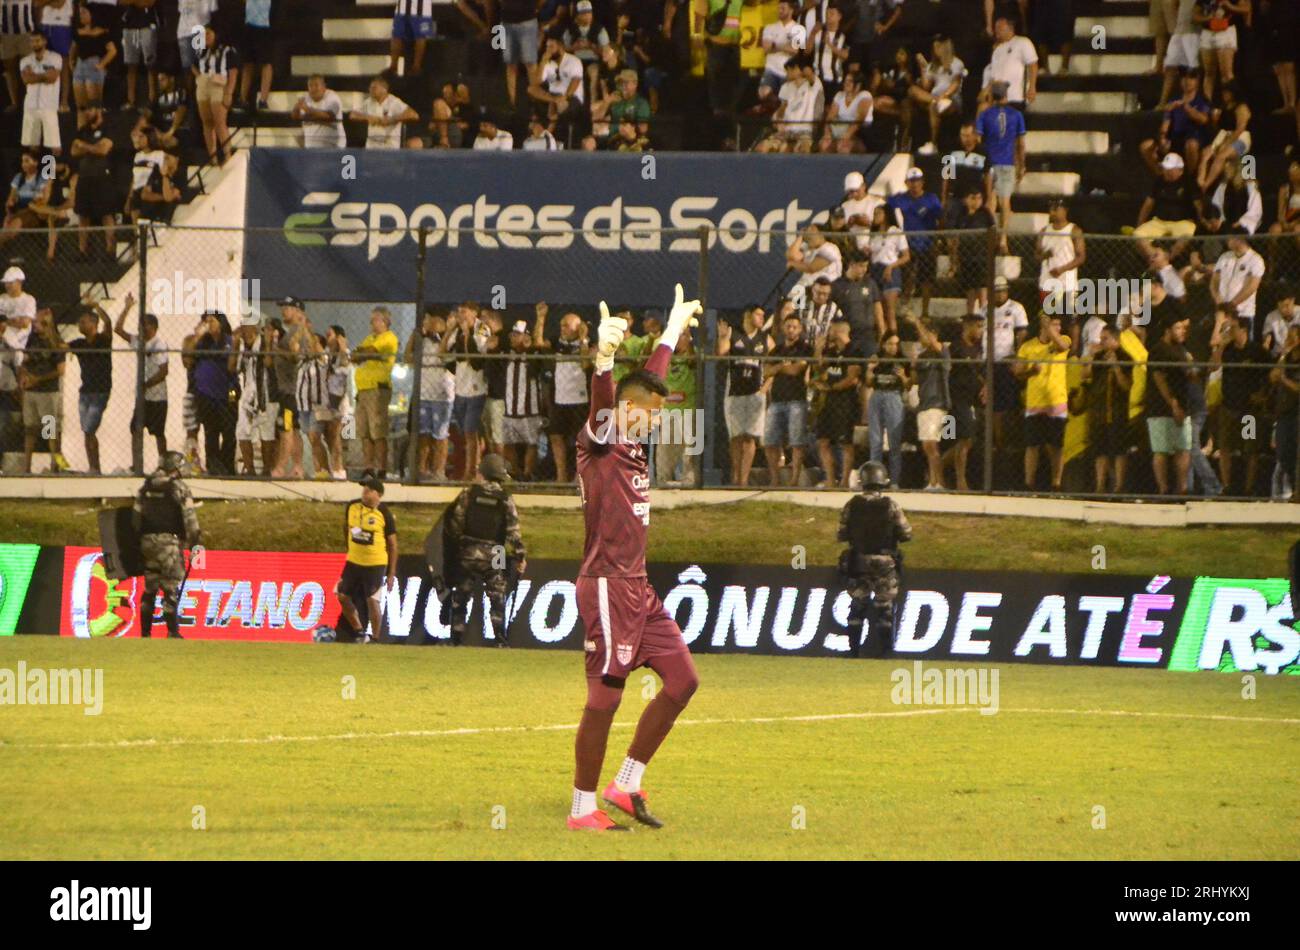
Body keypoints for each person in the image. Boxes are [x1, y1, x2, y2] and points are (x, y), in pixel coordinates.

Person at [567, 284, 702, 833]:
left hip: (638, 587)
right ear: (626, 409)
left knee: (682, 680)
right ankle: (581, 809)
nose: (655, 418)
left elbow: (648, 381)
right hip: (604, 583)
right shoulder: (599, 438)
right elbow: (609, 402)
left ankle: (624, 783)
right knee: (605, 698)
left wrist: (670, 331)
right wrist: (601, 360)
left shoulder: (632, 431)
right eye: (648, 413)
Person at [444, 453, 526, 646]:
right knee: (497, 595)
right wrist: (520, 555)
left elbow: (456, 522)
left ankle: (456, 638)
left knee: (461, 595)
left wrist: (456, 547)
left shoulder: (468, 494)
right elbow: (513, 530)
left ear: (483, 473)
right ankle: (499, 638)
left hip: (469, 549)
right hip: (496, 552)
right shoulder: (505, 497)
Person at [837, 459, 912, 658]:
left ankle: (853, 651)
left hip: (858, 561)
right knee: (883, 607)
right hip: (885, 562)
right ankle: (886, 652)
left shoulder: (851, 505)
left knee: (857, 606)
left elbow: (841, 534)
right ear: (883, 482)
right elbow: (906, 533)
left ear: (862, 481)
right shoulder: (891, 505)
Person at [133, 450, 201, 638]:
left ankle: (145, 633)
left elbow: (135, 517)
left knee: (150, 587)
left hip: (146, 543)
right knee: (170, 586)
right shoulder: (179, 487)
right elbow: (190, 519)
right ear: (175, 467)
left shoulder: (145, 486)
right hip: (169, 543)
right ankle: (172, 631)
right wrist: (195, 542)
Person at [334, 470, 397, 644]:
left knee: (372, 600)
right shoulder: (352, 507)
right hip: (354, 561)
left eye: (369, 490)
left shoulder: (384, 513)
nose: (365, 493)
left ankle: (376, 638)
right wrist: (350, 548)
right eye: (364, 490)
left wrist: (391, 573)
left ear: (379, 495)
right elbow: (346, 528)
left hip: (375, 563)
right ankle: (359, 631)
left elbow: (393, 544)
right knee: (342, 596)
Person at [532, 303, 590, 484]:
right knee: (556, 436)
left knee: (582, 439)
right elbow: (539, 343)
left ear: (578, 327)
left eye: (567, 325)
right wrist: (541, 319)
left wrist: (583, 340)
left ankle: (579, 476)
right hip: (559, 398)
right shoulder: (557, 341)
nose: (563, 329)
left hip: (579, 399)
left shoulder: (586, 343)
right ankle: (561, 476)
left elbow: (585, 364)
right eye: (562, 325)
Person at [1015, 311, 1071, 492]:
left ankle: (1056, 483)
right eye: (1055, 325)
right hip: (1035, 402)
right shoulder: (1028, 347)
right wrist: (1031, 370)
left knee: (1056, 445)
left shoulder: (1064, 340)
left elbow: (1061, 346)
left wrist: (1050, 329)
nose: (1058, 329)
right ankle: (1028, 483)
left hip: (1057, 402)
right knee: (1033, 445)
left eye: (1059, 325)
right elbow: (1017, 371)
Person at [717, 305, 771, 487]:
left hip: (755, 393)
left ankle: (744, 480)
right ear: (748, 315)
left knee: (750, 437)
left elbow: (774, 365)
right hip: (735, 392)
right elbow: (722, 353)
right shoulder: (734, 334)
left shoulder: (765, 338)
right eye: (758, 315)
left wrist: (766, 387)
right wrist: (723, 337)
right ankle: (735, 475)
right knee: (736, 436)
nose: (762, 318)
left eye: (764, 316)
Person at [114, 294, 168, 465]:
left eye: (142, 325)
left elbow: (163, 371)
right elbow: (118, 329)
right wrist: (127, 307)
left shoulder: (159, 345)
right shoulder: (138, 341)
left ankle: (163, 464)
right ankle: (137, 463)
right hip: (143, 397)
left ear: (152, 327)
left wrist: (146, 384)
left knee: (158, 432)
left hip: (157, 396)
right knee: (136, 429)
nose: (139, 329)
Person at [1080, 323, 1132, 494]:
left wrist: (1116, 366)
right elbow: (1085, 375)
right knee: (1100, 450)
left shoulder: (1125, 357)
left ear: (1115, 339)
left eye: (1105, 339)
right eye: (1100, 338)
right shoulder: (1099, 356)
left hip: (1117, 410)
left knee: (1118, 450)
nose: (1101, 342)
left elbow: (1126, 386)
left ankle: (1119, 487)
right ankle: (1100, 486)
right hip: (1099, 410)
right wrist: (1090, 355)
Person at [1145, 313, 1194, 495]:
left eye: (1183, 328)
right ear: (1167, 330)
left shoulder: (1182, 350)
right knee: (1161, 450)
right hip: (1160, 408)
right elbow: (1159, 378)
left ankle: (1182, 488)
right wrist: (1173, 404)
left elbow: (1190, 376)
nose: (1182, 332)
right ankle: (1163, 489)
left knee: (1183, 448)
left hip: (1183, 405)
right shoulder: (1158, 350)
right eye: (1178, 328)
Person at [974, 81, 1026, 250]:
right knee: (1005, 202)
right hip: (1008, 163)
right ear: (1006, 95)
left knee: (991, 201)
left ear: (992, 96)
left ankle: (991, 236)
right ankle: (1003, 239)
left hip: (990, 162)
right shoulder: (1016, 115)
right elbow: (1021, 143)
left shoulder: (985, 114)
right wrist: (1022, 164)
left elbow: (978, 139)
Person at [763, 312, 812, 486]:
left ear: (800, 329)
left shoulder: (805, 348)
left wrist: (779, 368)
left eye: (795, 327)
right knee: (770, 441)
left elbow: (796, 370)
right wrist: (783, 366)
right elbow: (766, 372)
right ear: (783, 328)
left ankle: (794, 479)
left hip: (796, 400)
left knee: (797, 442)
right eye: (788, 326)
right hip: (776, 400)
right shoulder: (776, 349)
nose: (791, 330)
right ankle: (775, 479)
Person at [811, 319, 861, 489]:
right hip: (828, 403)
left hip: (845, 403)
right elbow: (818, 370)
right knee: (823, 441)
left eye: (831, 330)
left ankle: (845, 480)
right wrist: (818, 349)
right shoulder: (831, 351)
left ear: (839, 331)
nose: (828, 333)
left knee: (845, 442)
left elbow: (852, 378)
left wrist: (830, 387)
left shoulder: (854, 350)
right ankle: (831, 480)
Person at [19, 306, 70, 473]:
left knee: (50, 430)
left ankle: (56, 465)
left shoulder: (55, 342)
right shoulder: (32, 340)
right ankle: (26, 468)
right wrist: (26, 377)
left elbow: (60, 370)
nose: (34, 325)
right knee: (30, 429)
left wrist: (38, 379)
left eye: (37, 322)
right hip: (31, 392)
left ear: (46, 323)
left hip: (47, 393)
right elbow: (24, 361)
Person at [67, 300, 113, 474]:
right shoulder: (78, 343)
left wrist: (95, 305)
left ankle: (94, 467)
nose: (79, 325)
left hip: (96, 391)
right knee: (38, 428)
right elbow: (59, 347)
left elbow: (108, 324)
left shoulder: (102, 340)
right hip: (82, 391)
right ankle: (53, 460)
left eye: (83, 322)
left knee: (87, 428)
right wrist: (49, 328)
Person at [352, 306, 398, 478]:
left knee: (378, 432)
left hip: (377, 389)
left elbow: (370, 351)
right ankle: (368, 467)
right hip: (363, 390)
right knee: (364, 433)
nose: (371, 323)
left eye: (375, 319)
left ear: (384, 321)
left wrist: (364, 353)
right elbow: (356, 356)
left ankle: (382, 468)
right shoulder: (370, 338)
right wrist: (363, 353)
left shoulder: (389, 338)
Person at [866, 331, 908, 486]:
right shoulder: (877, 359)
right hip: (877, 395)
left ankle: (895, 481)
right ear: (883, 345)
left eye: (896, 344)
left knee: (894, 442)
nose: (893, 347)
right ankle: (874, 479)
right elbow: (869, 383)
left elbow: (908, 385)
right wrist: (870, 369)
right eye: (890, 343)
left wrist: (903, 376)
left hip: (894, 397)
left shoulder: (902, 361)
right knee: (876, 441)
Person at [193, 23, 235, 165]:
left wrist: (229, 92)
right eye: (204, 34)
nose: (206, 37)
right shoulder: (200, 50)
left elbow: (233, 72)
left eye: (209, 34)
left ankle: (227, 154)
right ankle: (212, 156)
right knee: (207, 122)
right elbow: (190, 64)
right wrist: (199, 76)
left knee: (219, 122)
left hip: (218, 83)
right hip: (203, 84)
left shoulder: (226, 50)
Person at [19, 29, 61, 153]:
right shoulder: (25, 60)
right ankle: (37, 170)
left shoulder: (55, 58)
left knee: (54, 144)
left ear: (44, 41)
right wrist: (43, 76)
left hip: (49, 105)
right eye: (32, 41)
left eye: (37, 41)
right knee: (32, 144)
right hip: (30, 105)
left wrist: (34, 76)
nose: (34, 44)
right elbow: (26, 80)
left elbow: (52, 78)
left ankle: (52, 170)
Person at [350, 73, 417, 150]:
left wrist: (392, 119)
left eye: (374, 88)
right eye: (370, 88)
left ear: (384, 89)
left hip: (390, 146)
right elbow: (353, 114)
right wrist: (367, 117)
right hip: (372, 146)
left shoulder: (394, 102)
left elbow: (413, 114)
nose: (370, 90)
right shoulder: (369, 102)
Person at [292, 74, 345, 148]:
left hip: (332, 146)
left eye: (316, 85)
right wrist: (296, 108)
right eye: (310, 86)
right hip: (310, 148)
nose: (313, 89)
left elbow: (328, 116)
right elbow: (296, 117)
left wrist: (308, 110)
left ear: (324, 87)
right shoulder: (306, 98)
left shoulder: (333, 98)